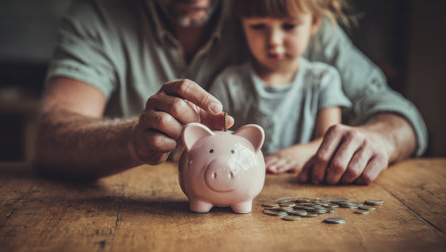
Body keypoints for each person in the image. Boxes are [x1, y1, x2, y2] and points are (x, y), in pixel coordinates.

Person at [33, 0, 427, 184]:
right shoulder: (97, 16)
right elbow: (52, 136)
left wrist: (380, 138)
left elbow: (396, 113)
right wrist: (133, 139)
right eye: (260, 29)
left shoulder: (280, 9)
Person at [209, 0, 352, 176]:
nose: (274, 41)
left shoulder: (324, 80)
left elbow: (330, 139)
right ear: (242, 24)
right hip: (240, 184)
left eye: (289, 26)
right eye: (258, 26)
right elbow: (212, 142)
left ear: (314, 22)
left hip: (303, 188)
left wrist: (301, 153)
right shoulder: (229, 83)